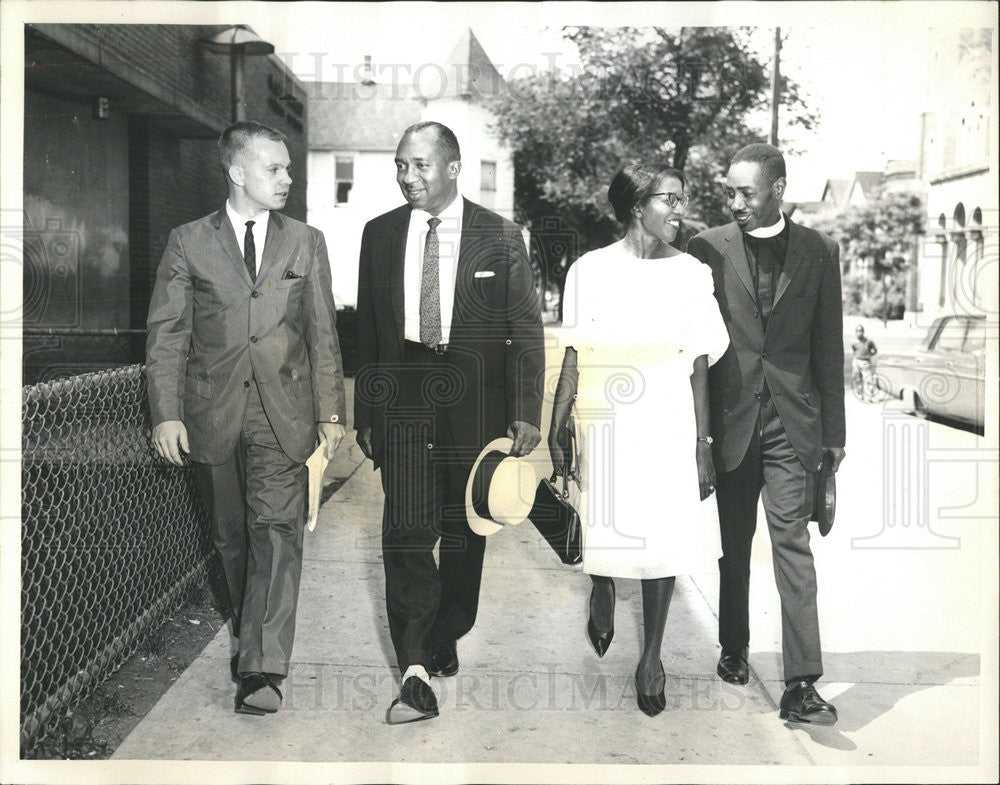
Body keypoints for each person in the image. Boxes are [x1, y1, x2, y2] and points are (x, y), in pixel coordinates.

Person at [145, 120, 346, 715]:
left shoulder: (305, 241)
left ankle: (263, 667)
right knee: (231, 538)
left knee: (277, 534)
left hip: (284, 413)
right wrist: (166, 413)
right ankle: (248, 631)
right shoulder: (188, 241)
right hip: (212, 411)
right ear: (237, 173)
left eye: (287, 168)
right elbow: (167, 334)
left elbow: (322, 334)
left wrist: (331, 410)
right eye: (274, 168)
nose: (287, 178)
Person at [353, 121, 544, 724]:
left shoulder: (500, 235)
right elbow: (368, 332)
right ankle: (412, 662)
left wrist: (526, 411)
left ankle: (448, 628)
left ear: (454, 168)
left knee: (464, 530)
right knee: (406, 528)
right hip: (405, 391)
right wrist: (368, 410)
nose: (408, 177)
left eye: (420, 166)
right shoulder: (379, 234)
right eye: (401, 166)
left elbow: (526, 332)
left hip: (477, 402)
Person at [548, 164, 730, 717]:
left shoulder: (694, 273)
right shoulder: (589, 270)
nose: (681, 209)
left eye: (682, 199)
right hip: (605, 412)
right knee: (607, 521)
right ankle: (601, 582)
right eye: (669, 200)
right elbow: (574, 351)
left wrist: (702, 443)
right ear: (635, 207)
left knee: (665, 537)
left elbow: (700, 364)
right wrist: (559, 421)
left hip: (669, 412)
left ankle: (651, 656)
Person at [687, 143, 846, 726]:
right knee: (735, 547)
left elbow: (830, 346)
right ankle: (734, 645)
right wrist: (697, 433)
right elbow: (693, 341)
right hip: (731, 422)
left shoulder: (819, 252)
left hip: (791, 427)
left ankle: (802, 682)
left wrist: (834, 434)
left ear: (776, 189)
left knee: (793, 547)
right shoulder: (706, 247)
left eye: (745, 192)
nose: (735, 203)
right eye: (730, 192)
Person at [851, 324, 878, 400]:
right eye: (857, 331)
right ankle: (860, 394)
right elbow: (854, 351)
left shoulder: (868, 341)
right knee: (857, 378)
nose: (859, 333)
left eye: (860, 331)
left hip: (865, 362)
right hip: (856, 361)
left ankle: (870, 396)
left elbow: (874, 350)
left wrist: (869, 355)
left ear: (863, 332)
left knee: (868, 378)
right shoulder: (854, 342)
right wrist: (856, 358)